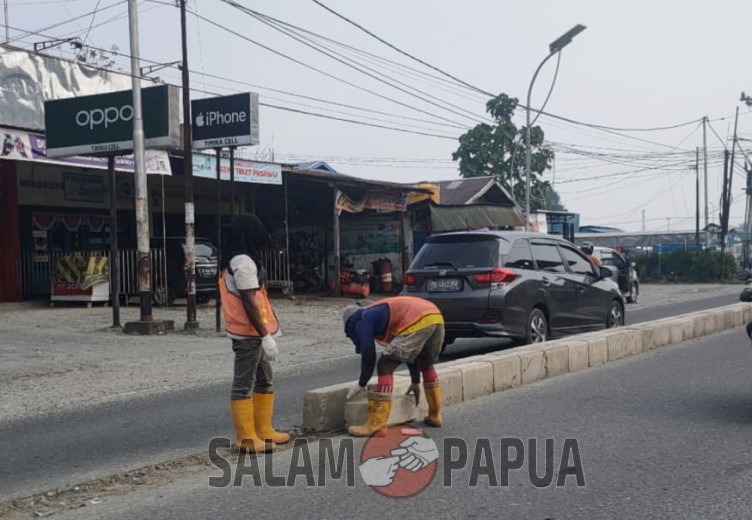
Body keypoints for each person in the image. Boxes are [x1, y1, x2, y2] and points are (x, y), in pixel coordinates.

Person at [219, 215, 289, 452]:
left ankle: (263, 430)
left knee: (264, 380)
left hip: (254, 334)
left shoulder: (242, 259)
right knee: (243, 385)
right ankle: (246, 438)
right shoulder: (242, 262)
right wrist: (265, 336)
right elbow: (249, 301)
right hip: (248, 335)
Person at [343, 296, 445, 437]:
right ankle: (435, 415)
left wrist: (361, 383)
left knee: (385, 365)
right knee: (426, 364)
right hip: (435, 316)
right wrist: (415, 381)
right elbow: (411, 352)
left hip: (417, 317)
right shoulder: (379, 313)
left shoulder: (361, 319)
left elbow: (368, 353)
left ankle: (376, 424)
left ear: (350, 324)